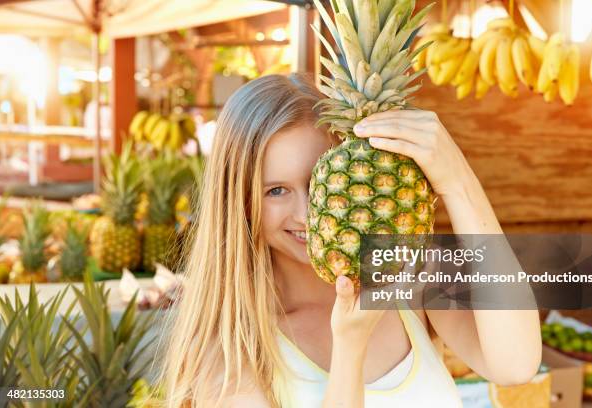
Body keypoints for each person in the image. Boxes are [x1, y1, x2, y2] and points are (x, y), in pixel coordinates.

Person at [162, 74, 541, 407]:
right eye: (276, 191)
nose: (306, 214)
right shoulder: (229, 350)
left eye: (322, 182)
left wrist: (457, 182)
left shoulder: (409, 282)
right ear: (241, 203)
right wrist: (350, 346)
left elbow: (516, 364)